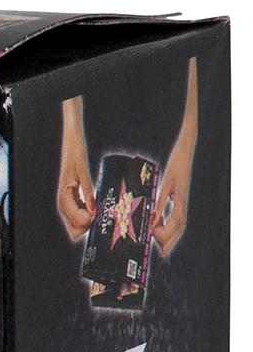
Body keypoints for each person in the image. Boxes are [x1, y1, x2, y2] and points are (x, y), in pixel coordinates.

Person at [56, 59, 200, 257]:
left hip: (170, 108)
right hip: (94, 112)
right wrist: (71, 131)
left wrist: (188, 140)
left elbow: (204, 50)